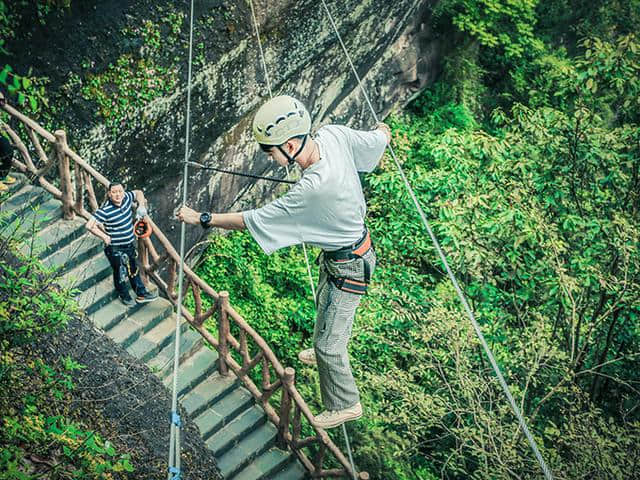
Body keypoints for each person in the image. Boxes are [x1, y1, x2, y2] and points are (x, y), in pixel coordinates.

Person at [177, 95, 390, 429]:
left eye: (271, 151)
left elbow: (252, 219)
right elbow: (375, 141)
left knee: (330, 345)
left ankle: (346, 403)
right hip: (346, 255)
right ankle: (320, 356)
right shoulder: (332, 135)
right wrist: (383, 132)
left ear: (290, 144)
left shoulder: (314, 188)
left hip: (350, 264)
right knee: (326, 304)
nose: (269, 157)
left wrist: (203, 218)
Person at [85, 181, 158, 306]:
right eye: (114, 192)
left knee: (133, 269)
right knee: (120, 273)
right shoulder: (105, 210)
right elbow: (89, 225)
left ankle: (141, 293)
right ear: (109, 194)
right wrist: (104, 236)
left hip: (129, 244)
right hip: (115, 248)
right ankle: (124, 295)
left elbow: (138, 192)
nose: (118, 195)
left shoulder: (126, 198)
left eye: (120, 191)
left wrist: (141, 206)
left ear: (123, 192)